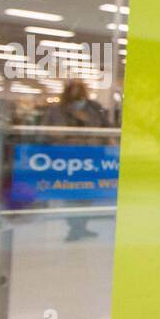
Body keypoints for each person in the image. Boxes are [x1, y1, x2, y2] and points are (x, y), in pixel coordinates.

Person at [44, 80, 108, 241]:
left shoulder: (93, 108)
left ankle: (82, 225)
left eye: (79, 89)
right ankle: (74, 227)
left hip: (90, 155)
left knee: (88, 192)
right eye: (73, 89)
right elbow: (48, 131)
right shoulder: (57, 110)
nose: (76, 93)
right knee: (70, 193)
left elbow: (106, 128)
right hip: (67, 157)